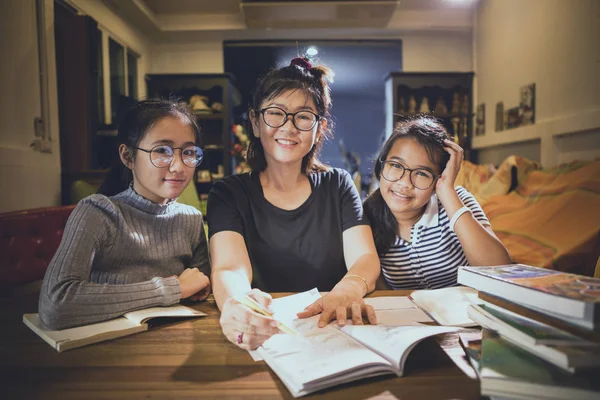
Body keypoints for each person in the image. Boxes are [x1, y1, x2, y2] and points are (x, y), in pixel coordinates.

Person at [207, 57, 380, 350]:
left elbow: (364, 258)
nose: (288, 127)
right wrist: (238, 302)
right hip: (269, 335)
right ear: (255, 121)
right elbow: (230, 268)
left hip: (335, 329)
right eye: (276, 113)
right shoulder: (228, 193)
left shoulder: (337, 184)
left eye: (303, 116)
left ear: (319, 128)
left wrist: (348, 289)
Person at [39, 99, 211, 330]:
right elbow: (55, 304)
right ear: (127, 156)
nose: (179, 166)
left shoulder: (191, 218)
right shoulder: (98, 213)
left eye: (188, 152)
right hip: (103, 348)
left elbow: (200, 289)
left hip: (171, 341)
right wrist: (173, 289)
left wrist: (200, 289)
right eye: (162, 150)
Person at [363, 116, 512, 290]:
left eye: (422, 173)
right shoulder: (366, 217)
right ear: (381, 168)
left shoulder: (456, 201)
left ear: (438, 180)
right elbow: (379, 289)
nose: (404, 183)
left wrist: (447, 192)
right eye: (396, 165)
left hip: (463, 312)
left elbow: (499, 270)